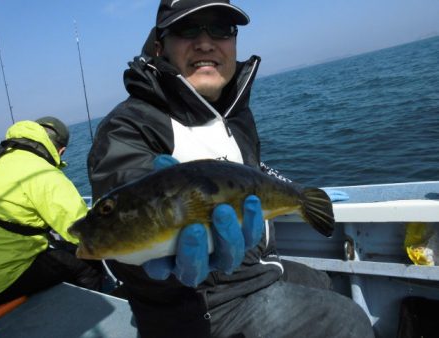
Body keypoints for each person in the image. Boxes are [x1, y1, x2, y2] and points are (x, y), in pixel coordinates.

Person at [87, 1, 374, 337]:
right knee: (349, 321)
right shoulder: (132, 124)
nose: (206, 41)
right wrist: (153, 254)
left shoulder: (234, 116)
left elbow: (249, 178)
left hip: (258, 269)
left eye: (221, 28)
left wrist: (300, 197)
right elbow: (122, 184)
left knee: (323, 282)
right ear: (159, 46)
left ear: (234, 42)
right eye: (187, 28)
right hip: (204, 304)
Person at [0, 117, 103, 308]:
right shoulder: (44, 174)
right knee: (87, 265)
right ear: (61, 151)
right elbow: (87, 235)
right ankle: (88, 316)